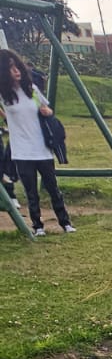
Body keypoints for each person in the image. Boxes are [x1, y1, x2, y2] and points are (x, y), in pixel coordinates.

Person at [0, 50, 75, 236]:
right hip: (22, 151)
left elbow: (45, 108)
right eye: (11, 68)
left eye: (17, 67)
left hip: (41, 147)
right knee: (31, 192)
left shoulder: (31, 90)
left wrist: (48, 112)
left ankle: (65, 222)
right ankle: (38, 226)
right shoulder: (4, 96)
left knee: (53, 188)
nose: (16, 71)